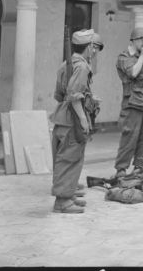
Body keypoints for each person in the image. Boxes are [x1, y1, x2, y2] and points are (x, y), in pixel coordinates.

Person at [51, 29, 102, 213]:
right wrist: (83, 120)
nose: (95, 52)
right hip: (73, 118)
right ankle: (63, 202)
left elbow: (60, 95)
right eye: (93, 47)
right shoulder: (82, 66)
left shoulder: (66, 64)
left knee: (68, 157)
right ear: (88, 47)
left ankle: (69, 194)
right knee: (70, 158)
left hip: (62, 116)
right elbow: (74, 95)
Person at [113, 27, 143, 179]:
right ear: (133, 40)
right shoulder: (124, 57)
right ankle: (121, 168)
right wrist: (142, 57)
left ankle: (140, 167)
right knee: (129, 136)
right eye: (142, 40)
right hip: (132, 101)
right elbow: (133, 73)